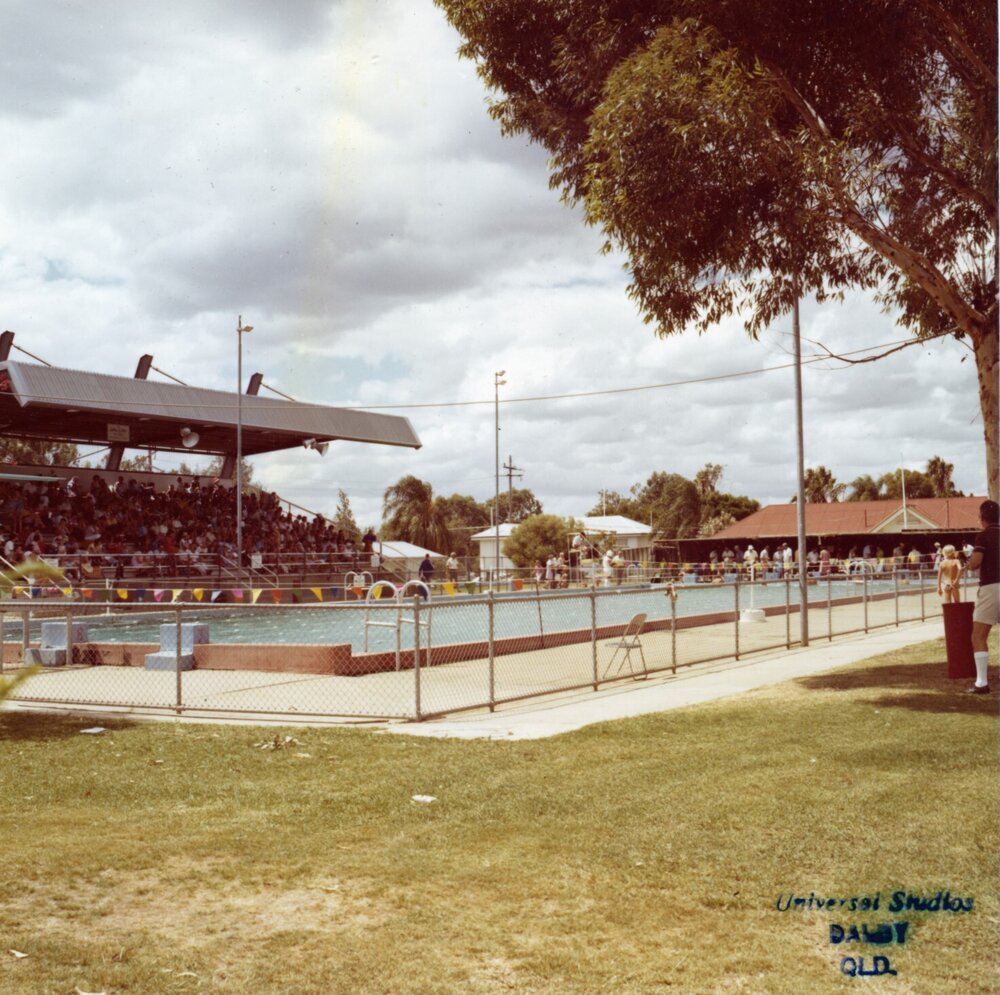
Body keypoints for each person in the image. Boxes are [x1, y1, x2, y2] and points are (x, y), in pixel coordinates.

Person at [964, 499, 999, 694]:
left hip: (991, 587)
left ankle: (981, 682)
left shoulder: (983, 536)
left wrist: (968, 564)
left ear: (981, 517)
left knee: (978, 635)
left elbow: (976, 562)